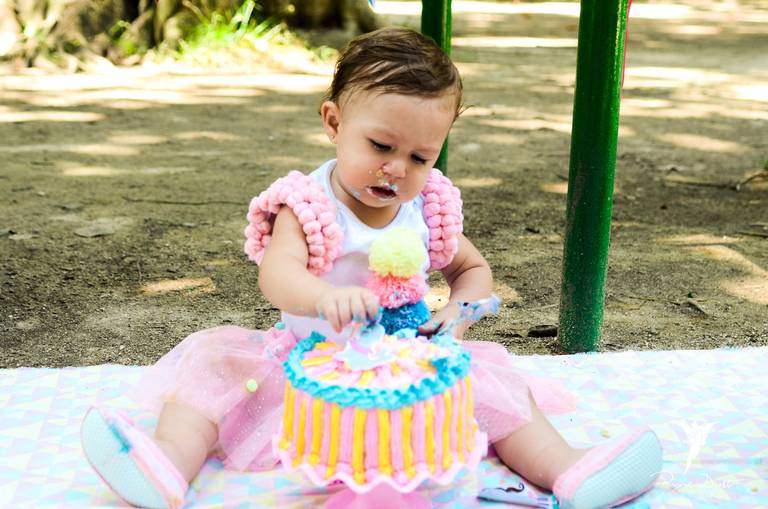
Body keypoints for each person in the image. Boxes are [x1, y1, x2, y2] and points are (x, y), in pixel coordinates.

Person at [81, 27, 662, 509]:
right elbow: (276, 274)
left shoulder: (426, 207)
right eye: (381, 146)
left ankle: (568, 471)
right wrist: (321, 297)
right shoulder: (309, 204)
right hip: (306, 366)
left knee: (495, 388)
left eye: (420, 156)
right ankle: (164, 467)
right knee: (209, 375)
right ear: (334, 123)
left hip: (409, 369)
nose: (397, 169)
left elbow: (471, 268)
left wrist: (460, 312)